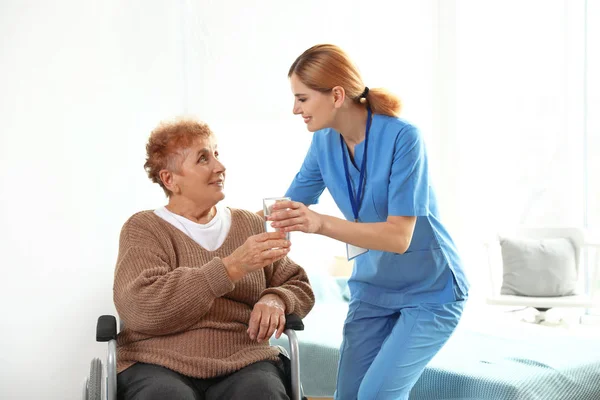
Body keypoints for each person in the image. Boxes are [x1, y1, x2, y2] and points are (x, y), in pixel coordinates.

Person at [265, 44, 470, 400]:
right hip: (372, 289)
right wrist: (218, 222)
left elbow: (399, 237)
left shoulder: (403, 138)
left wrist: (319, 223)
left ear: (337, 95)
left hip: (430, 291)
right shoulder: (324, 143)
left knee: (376, 395)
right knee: (349, 395)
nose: (295, 109)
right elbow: (286, 207)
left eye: (302, 98)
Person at [113, 118, 315, 400]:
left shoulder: (248, 224)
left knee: (262, 392)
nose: (220, 167)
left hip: (244, 359)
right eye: (203, 158)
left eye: (216, 154)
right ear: (170, 179)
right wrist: (231, 267)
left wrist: (276, 299)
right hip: (156, 361)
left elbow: (298, 284)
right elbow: (141, 307)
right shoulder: (144, 228)